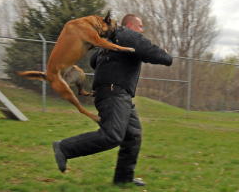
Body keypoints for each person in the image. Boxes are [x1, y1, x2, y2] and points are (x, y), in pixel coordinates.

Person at [52, 14, 173, 186]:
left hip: (116, 92)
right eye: (140, 26)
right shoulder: (129, 35)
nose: (142, 30)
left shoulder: (110, 41)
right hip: (114, 91)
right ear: (130, 24)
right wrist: (167, 56)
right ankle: (64, 147)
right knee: (112, 135)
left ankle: (123, 179)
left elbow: (94, 61)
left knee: (133, 135)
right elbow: (152, 52)